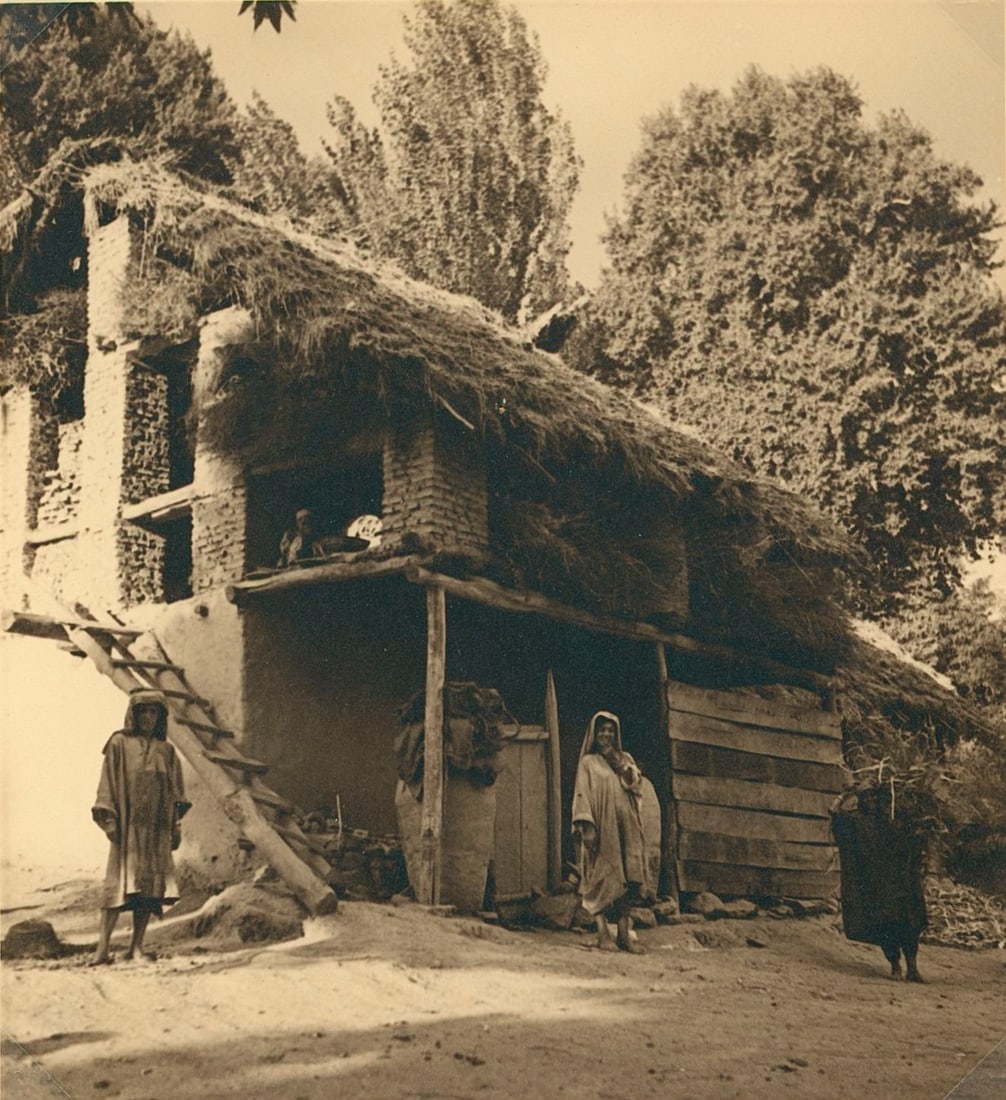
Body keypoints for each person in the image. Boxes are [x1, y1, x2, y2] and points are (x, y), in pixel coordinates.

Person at [91, 689, 190, 964]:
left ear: (160, 717)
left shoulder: (167, 751)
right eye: (143, 711)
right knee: (116, 885)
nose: (148, 716)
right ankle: (102, 949)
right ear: (133, 714)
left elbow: (175, 793)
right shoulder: (119, 744)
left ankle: (136, 947)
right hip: (127, 828)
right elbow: (107, 782)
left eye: (153, 712)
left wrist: (176, 826)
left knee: (148, 890)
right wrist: (109, 820)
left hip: (156, 830)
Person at [571, 711, 651, 954]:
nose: (606, 734)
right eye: (602, 730)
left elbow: (635, 785)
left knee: (629, 876)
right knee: (602, 877)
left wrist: (617, 760)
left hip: (626, 826)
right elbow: (581, 794)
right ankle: (603, 933)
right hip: (602, 827)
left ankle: (625, 934)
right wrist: (587, 826)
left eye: (610, 730)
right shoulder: (588, 763)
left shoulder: (624, 758)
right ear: (594, 734)